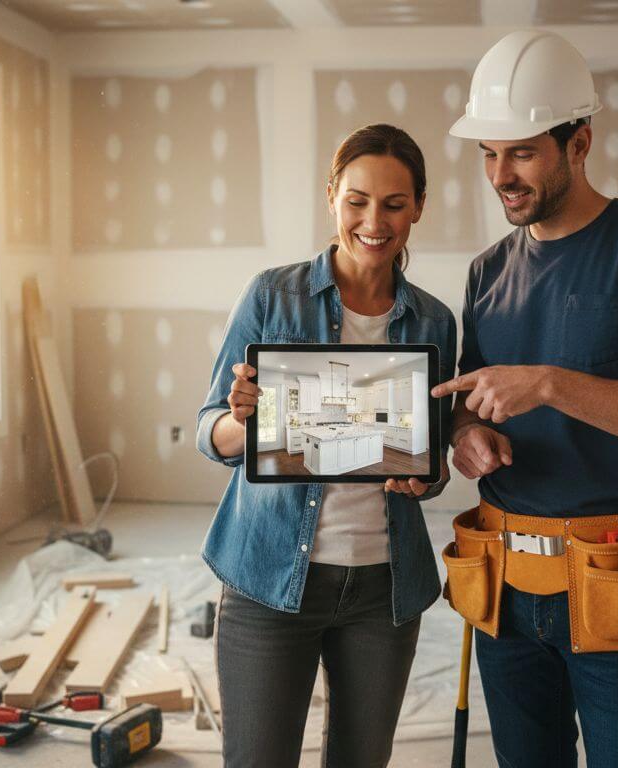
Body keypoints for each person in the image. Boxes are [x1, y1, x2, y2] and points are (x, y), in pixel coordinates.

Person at [433, 30, 618, 768]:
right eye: (488, 154)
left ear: (580, 142)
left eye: (522, 153)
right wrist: (465, 434)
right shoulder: (487, 272)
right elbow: (471, 398)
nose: (501, 176)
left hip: (616, 577)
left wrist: (551, 384)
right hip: (504, 577)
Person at [195, 123, 457, 767]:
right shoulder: (271, 295)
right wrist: (244, 421)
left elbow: (431, 462)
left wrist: (425, 478)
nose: (374, 222)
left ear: (419, 206)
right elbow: (210, 431)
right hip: (269, 574)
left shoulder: (434, 321)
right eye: (357, 201)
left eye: (394, 204)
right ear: (332, 196)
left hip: (383, 590)